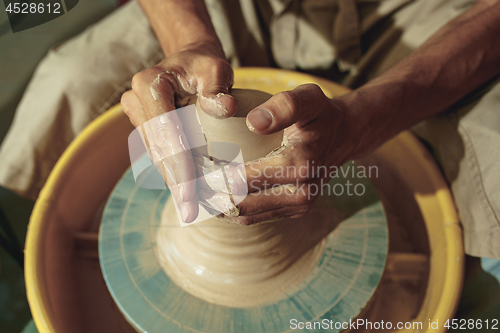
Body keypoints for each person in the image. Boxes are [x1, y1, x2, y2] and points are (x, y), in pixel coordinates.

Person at [0, 0, 499, 259]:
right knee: (71, 86)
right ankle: (37, 249)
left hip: (424, 16)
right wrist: (191, 39)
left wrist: (361, 123)